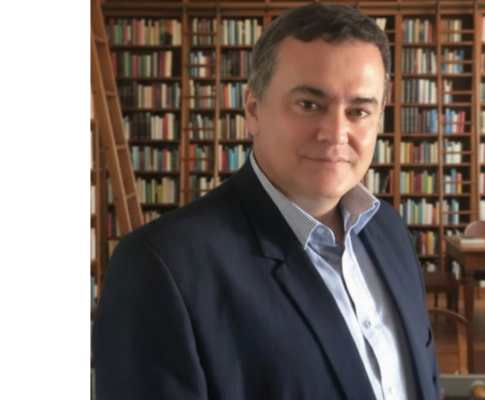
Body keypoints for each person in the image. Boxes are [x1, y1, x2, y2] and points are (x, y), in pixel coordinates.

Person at [92, 3, 442, 400]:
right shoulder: (160, 268)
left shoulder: (390, 230)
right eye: (309, 105)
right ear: (253, 110)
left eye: (359, 111)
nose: (336, 133)